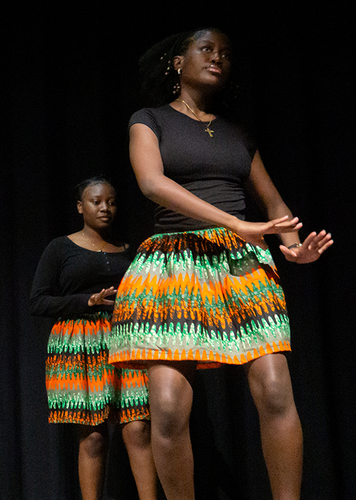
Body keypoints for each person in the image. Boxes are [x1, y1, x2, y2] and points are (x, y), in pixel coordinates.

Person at [108, 29, 333, 500]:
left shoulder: (236, 134)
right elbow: (151, 183)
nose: (218, 58)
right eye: (206, 49)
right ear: (177, 63)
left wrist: (293, 247)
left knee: (275, 391)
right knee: (168, 408)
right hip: (172, 264)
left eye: (226, 53)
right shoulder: (148, 120)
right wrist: (234, 222)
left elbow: (273, 203)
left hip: (241, 265)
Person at [30, 177, 157, 500]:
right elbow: (38, 301)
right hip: (78, 345)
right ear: (80, 207)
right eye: (96, 202)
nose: (105, 208)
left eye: (111, 202)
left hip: (125, 343)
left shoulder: (130, 249)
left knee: (139, 428)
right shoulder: (60, 248)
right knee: (94, 437)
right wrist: (87, 301)